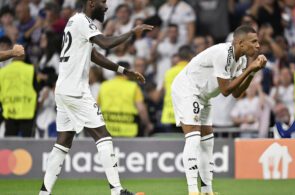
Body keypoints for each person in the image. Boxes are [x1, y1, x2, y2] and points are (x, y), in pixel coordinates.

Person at [38, 0, 153, 194]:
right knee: (103, 136)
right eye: (102, 2)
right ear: (91, 2)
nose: (106, 7)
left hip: (63, 89)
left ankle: (44, 192)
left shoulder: (74, 21)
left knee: (63, 141)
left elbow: (94, 55)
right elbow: (106, 43)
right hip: (76, 91)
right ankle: (117, 190)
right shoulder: (83, 21)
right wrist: (133, 32)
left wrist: (123, 70)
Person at [171, 25, 267, 195]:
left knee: (208, 142)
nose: (258, 45)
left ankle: (207, 191)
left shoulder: (242, 60)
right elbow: (225, 90)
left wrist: (251, 73)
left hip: (204, 96)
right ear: (241, 43)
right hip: (187, 90)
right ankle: (193, 191)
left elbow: (237, 93)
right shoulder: (223, 54)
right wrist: (250, 69)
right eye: (254, 41)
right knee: (193, 138)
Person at [98, 61, 153, 137]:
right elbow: (141, 109)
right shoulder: (133, 87)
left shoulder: (104, 85)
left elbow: (96, 107)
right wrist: (148, 124)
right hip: (128, 130)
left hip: (108, 130)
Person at [0, 53, 38, 137]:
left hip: (9, 111)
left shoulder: (2, 71)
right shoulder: (30, 69)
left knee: (10, 144)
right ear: (23, 56)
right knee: (28, 145)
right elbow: (36, 91)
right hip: (27, 112)